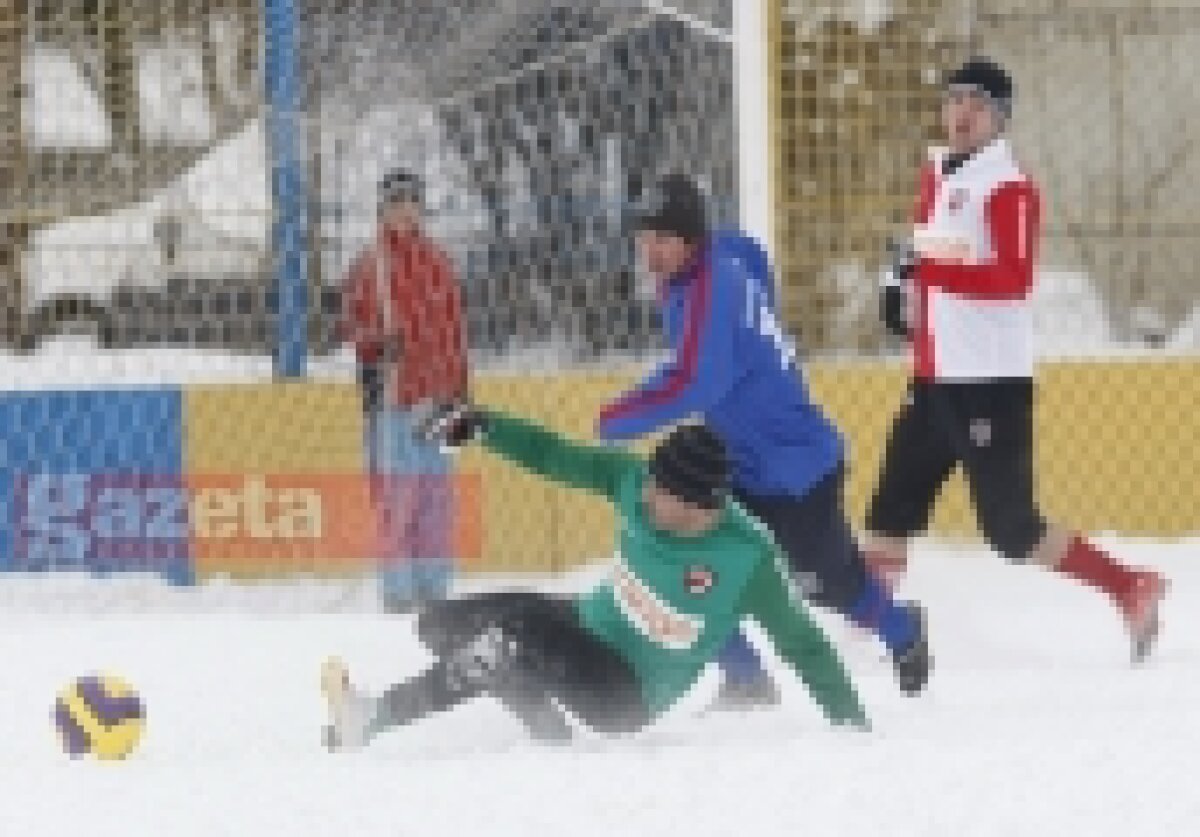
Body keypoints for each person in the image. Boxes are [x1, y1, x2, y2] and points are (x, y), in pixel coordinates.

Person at [319, 407, 869, 749]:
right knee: (440, 626)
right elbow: (554, 455)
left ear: (703, 507)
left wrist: (855, 731)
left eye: (662, 493)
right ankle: (548, 732)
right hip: (586, 623)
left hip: (625, 693)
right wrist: (481, 426)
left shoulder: (747, 560)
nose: (646, 496)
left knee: (513, 638)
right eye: (650, 482)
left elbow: (804, 646)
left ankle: (376, 716)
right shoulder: (636, 482)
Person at [869, 57, 1167, 662]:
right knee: (888, 512)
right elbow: (932, 259)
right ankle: (874, 636)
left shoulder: (1010, 186)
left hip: (989, 385)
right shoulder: (936, 174)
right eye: (955, 100)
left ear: (1000, 118)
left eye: (978, 104)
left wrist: (929, 270)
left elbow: (1011, 278)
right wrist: (905, 297)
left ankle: (1130, 586)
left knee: (1012, 532)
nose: (962, 113)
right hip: (933, 378)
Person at [596, 174, 930, 708]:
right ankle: (748, 678)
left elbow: (696, 382)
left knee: (828, 586)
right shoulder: (703, 272)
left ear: (690, 238)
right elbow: (747, 262)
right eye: (643, 237)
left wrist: (618, 417)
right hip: (739, 463)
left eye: (662, 238)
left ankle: (903, 629)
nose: (649, 250)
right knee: (689, 557)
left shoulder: (711, 286)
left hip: (796, 467)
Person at [342, 169, 469, 613]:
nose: (403, 210)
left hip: (440, 397)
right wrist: (379, 343)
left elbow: (456, 330)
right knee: (398, 498)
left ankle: (436, 592)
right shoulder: (369, 266)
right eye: (395, 202)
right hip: (392, 400)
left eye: (411, 201)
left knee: (438, 499)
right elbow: (353, 329)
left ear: (421, 207)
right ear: (382, 208)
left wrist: (461, 396)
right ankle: (398, 596)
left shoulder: (439, 261)